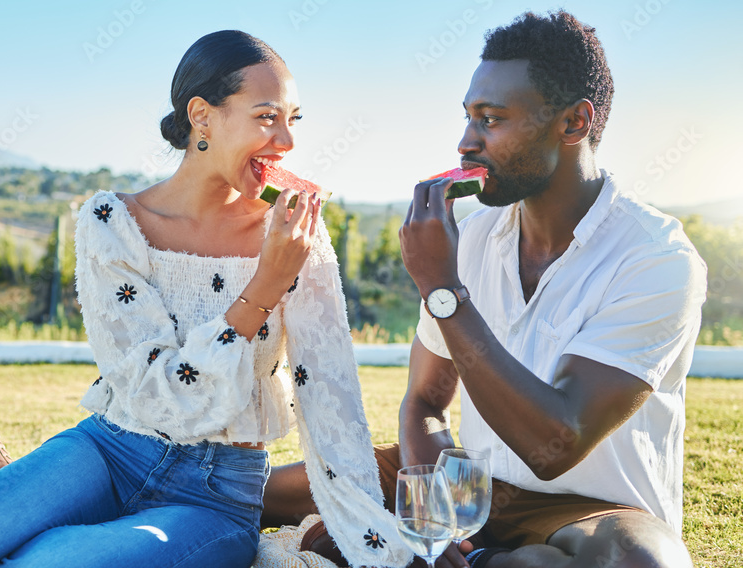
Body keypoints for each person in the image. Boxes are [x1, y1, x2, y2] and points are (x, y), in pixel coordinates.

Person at [0, 30, 411, 568]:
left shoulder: (294, 236)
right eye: (267, 118)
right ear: (202, 117)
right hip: (111, 448)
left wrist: (377, 537)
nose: (288, 143)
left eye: (292, 121)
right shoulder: (111, 222)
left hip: (220, 492)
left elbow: (329, 396)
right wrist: (261, 291)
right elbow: (153, 392)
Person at [262, 11, 705, 568]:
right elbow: (425, 401)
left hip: (590, 510)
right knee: (253, 494)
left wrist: (442, 288)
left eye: (490, 120)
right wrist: (436, 512)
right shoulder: (470, 237)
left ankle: (424, 553)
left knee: (643, 561)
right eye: (469, 118)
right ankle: (434, 547)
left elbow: (558, 442)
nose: (466, 143)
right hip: (469, 482)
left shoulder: (655, 258)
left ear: (573, 123)